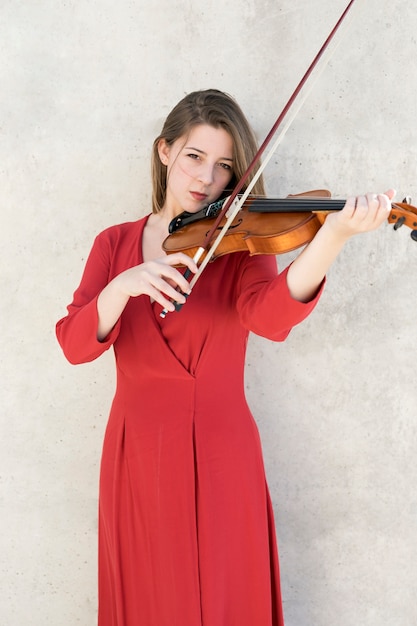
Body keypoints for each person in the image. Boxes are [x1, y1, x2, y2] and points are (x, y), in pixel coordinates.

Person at [56, 88, 394, 626]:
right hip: (137, 454)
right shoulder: (113, 245)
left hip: (223, 452)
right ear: (165, 151)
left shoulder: (238, 244)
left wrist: (331, 239)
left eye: (223, 167)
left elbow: (270, 318)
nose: (205, 179)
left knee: (227, 598)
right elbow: (74, 344)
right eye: (193, 157)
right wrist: (123, 286)